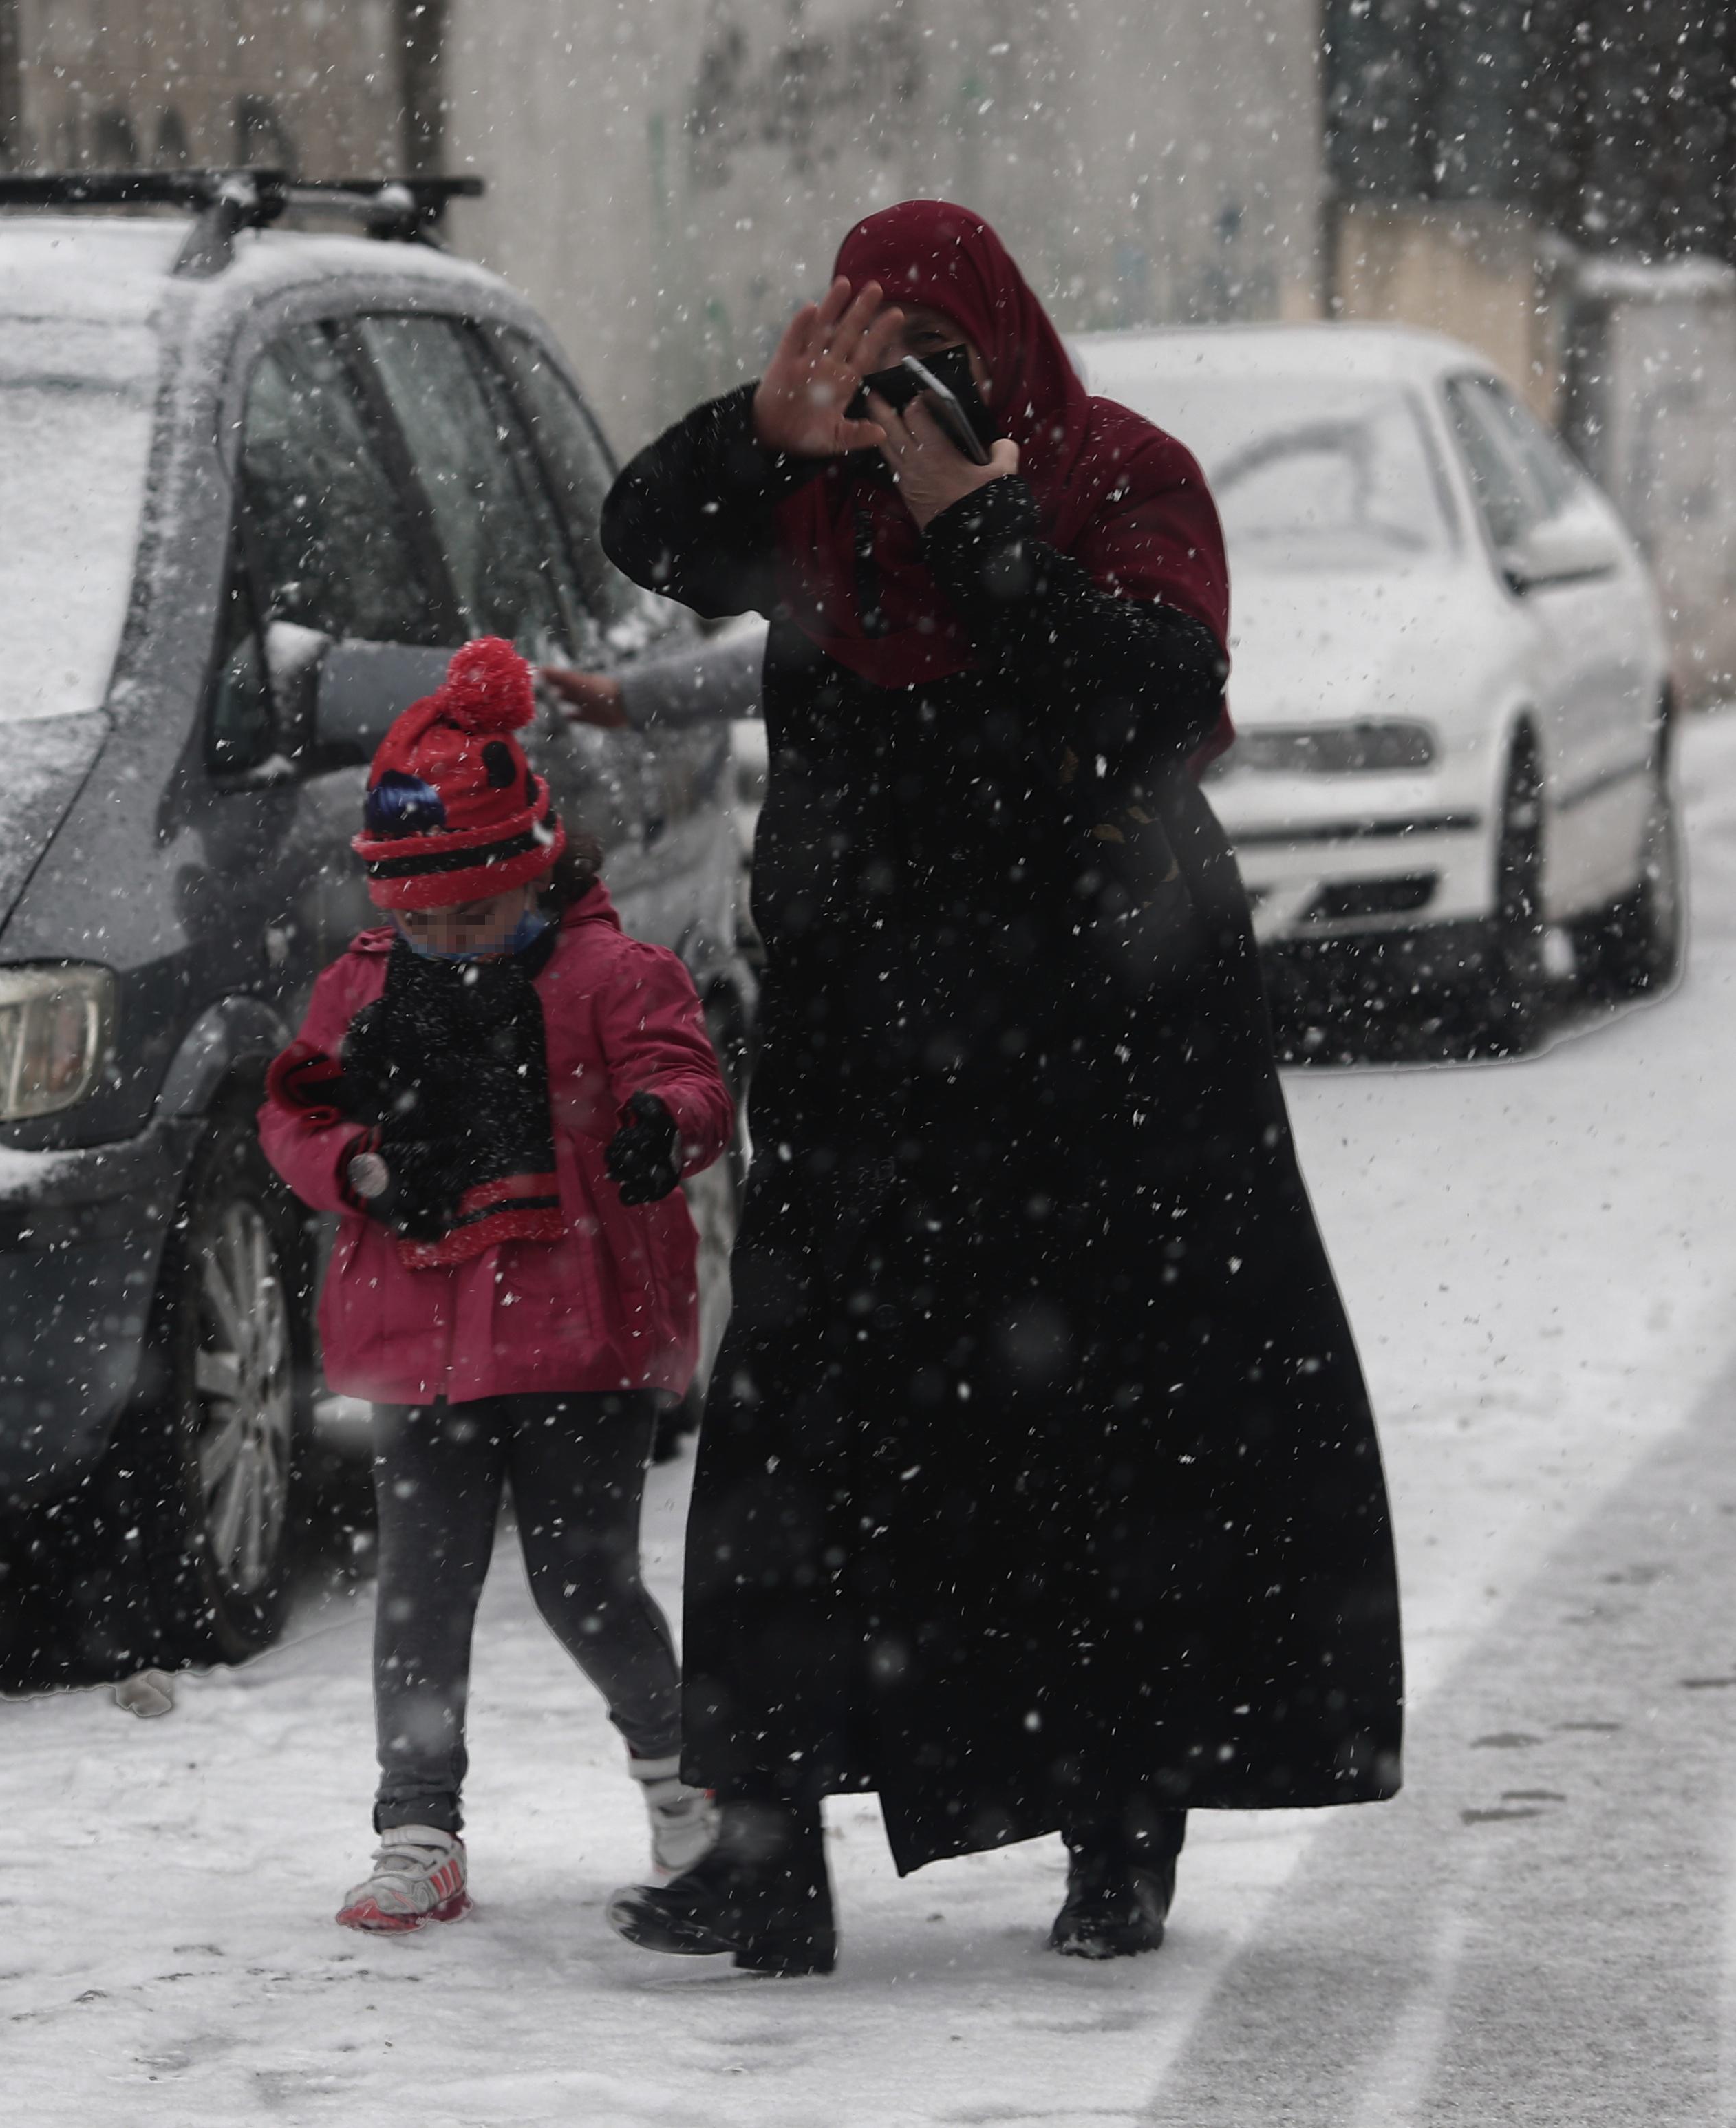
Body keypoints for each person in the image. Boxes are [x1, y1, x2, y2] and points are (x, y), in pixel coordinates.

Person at [592, 202, 1404, 1976]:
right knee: (793, 1434)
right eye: (879, 361)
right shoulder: (811, 499)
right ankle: (764, 1849)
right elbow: (642, 530)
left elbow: (1145, 692)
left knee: (1106, 1438)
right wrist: (761, 426)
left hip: (1099, 1045)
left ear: (1009, 346)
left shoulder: (1120, 476)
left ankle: (1118, 1838)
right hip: (867, 1043)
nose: (907, 399)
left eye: (937, 360)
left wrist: (987, 528)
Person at [259, 636, 736, 1933]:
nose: (446, 939)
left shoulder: (610, 977)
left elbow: (687, 1081)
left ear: (533, 869)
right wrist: (353, 1166)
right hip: (423, 1338)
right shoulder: (362, 988)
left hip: (580, 1333)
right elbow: (295, 1113)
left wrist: (662, 1128)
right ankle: (417, 1823)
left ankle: (687, 1783)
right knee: (423, 1583)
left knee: (586, 1577)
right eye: (417, 917)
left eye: (472, 912)